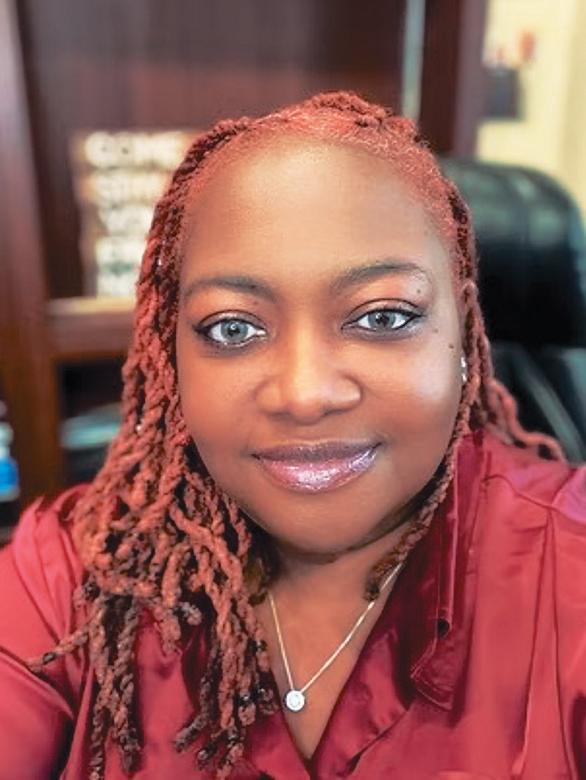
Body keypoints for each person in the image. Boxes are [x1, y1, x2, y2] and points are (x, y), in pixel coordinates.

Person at [0, 91, 584, 780]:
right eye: (233, 328)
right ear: (171, 354)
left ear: (462, 329)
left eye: (383, 317)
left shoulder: (570, 569)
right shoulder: (74, 573)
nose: (304, 396)